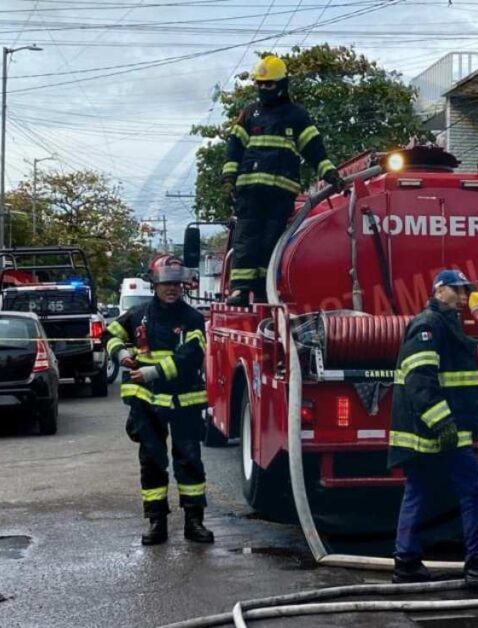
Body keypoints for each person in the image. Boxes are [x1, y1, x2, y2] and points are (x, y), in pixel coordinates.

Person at [388, 269, 478, 588]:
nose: (461, 297)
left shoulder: (446, 325)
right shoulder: (428, 326)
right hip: (437, 429)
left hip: (438, 429)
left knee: (420, 490)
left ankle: (407, 563)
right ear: (439, 290)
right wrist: (443, 421)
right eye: (455, 290)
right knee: (473, 486)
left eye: (464, 290)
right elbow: (419, 380)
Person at [105, 255, 214, 545]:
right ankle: (156, 522)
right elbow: (111, 334)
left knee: (189, 461)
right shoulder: (138, 315)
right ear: (154, 284)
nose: (172, 289)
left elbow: (191, 357)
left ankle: (194, 522)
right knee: (152, 462)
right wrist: (121, 354)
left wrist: (152, 372)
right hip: (147, 403)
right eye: (166, 283)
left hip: (184, 402)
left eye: (177, 283)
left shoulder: (192, 319)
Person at [221, 54, 345, 306]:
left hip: (281, 193)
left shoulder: (296, 116)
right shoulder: (250, 114)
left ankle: (264, 289)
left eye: (269, 84)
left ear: (282, 84)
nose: (264, 89)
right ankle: (240, 290)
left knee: (272, 243)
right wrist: (228, 178)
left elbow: (314, 149)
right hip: (250, 191)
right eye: (260, 84)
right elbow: (234, 148)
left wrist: (330, 173)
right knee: (246, 239)